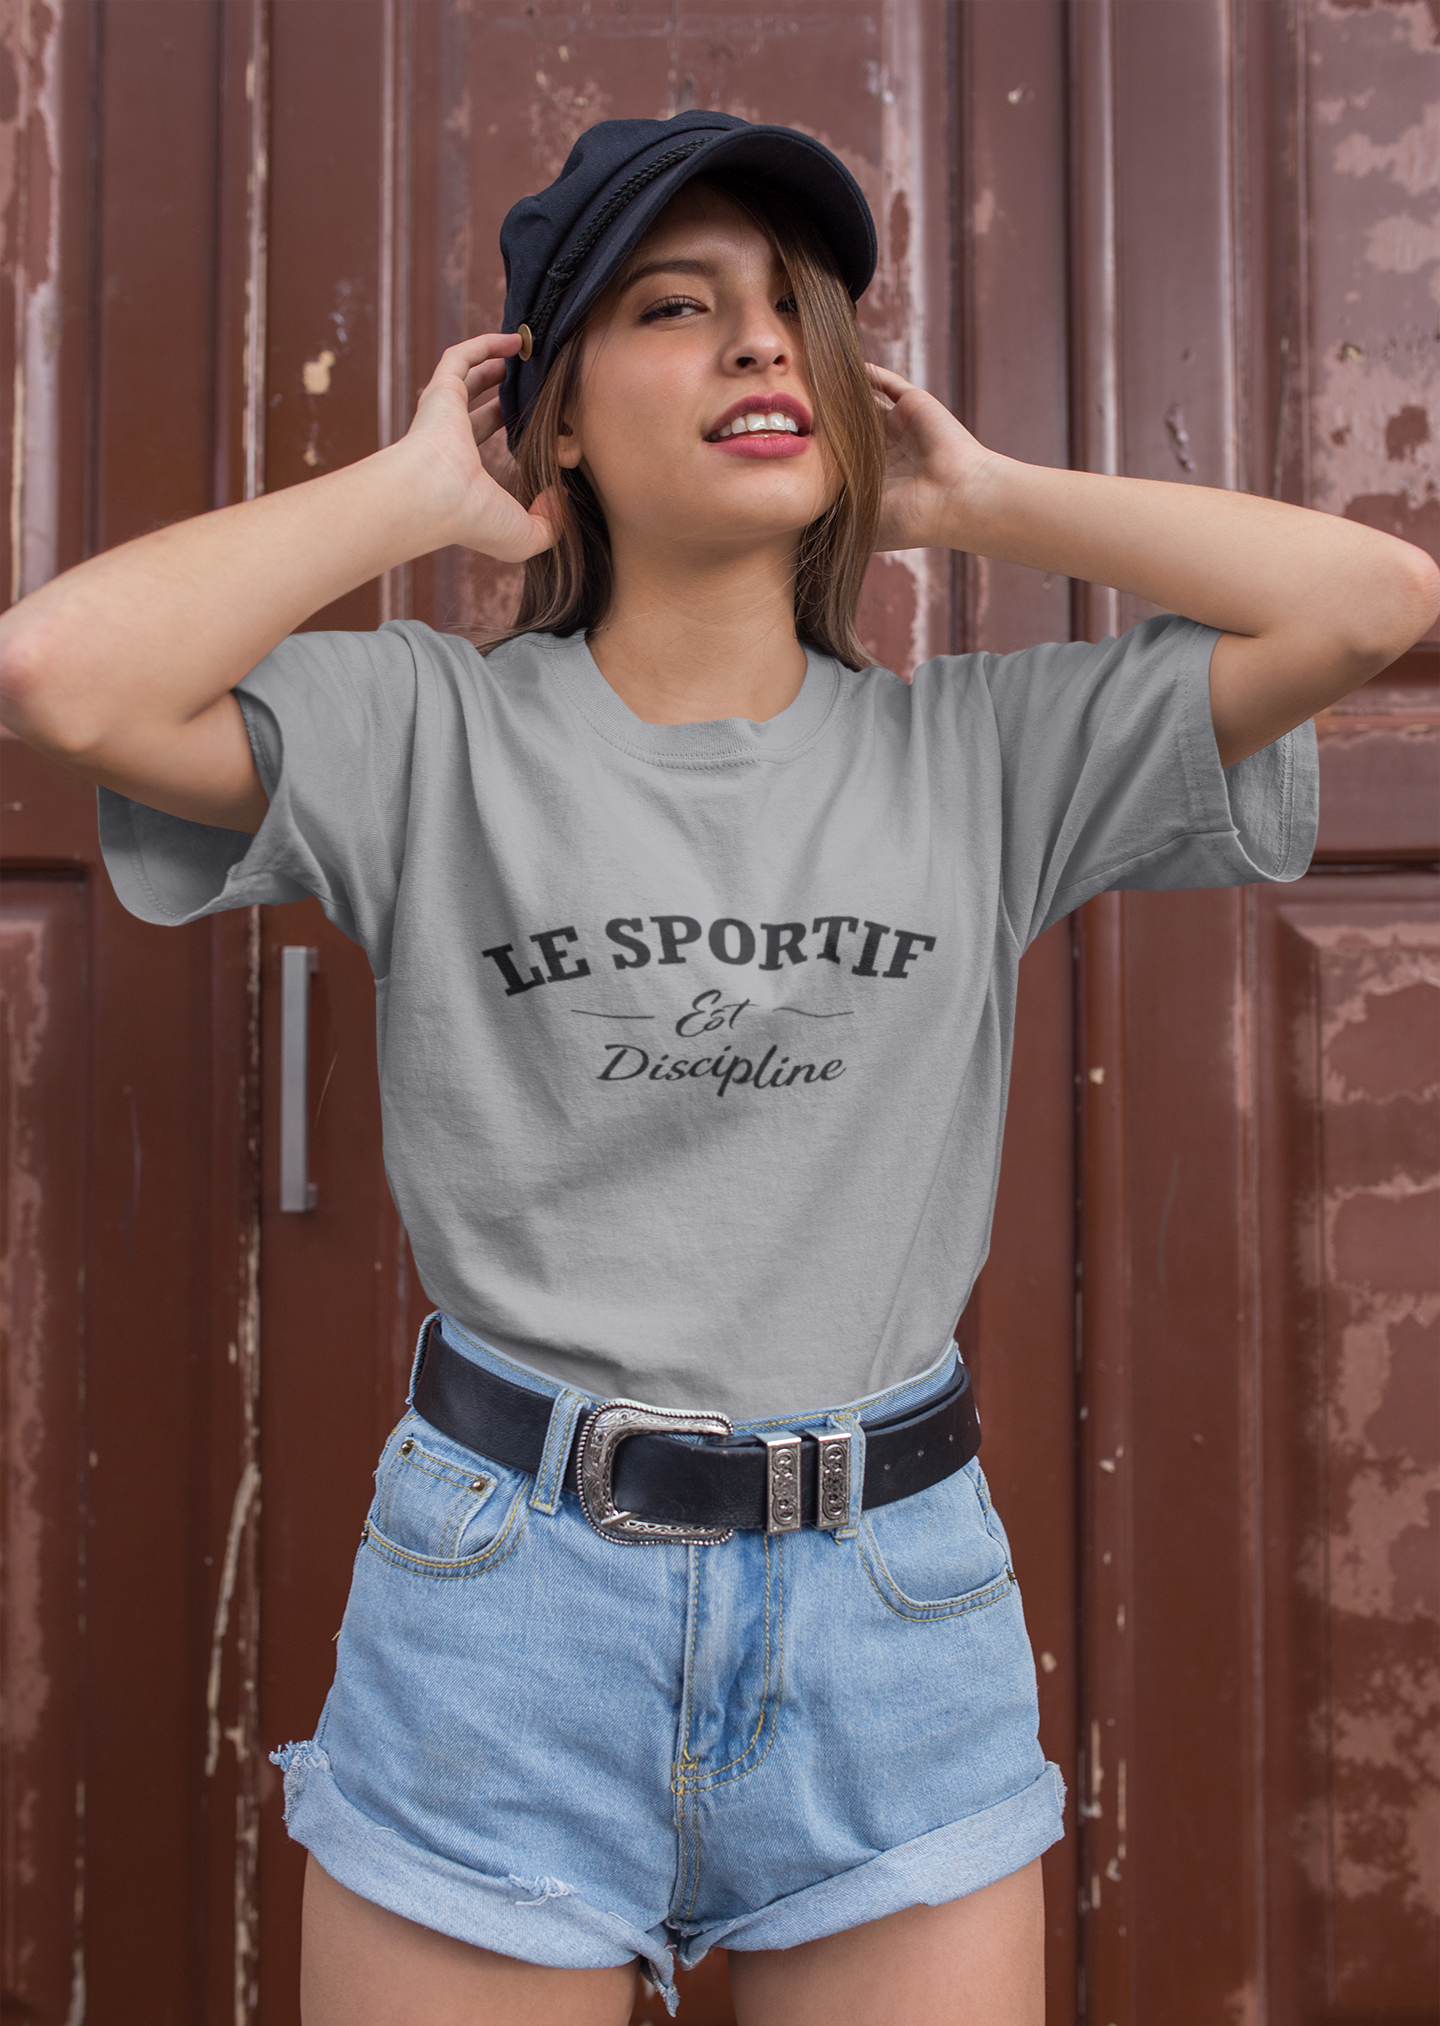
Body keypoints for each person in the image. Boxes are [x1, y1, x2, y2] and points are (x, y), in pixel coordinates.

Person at [1, 110, 1434, 2026]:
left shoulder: (983, 756)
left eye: (791, 310)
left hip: (891, 1604)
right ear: (558, 417)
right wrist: (421, 488)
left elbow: (1371, 602)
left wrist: (977, 499)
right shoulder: (421, 732)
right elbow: (63, 674)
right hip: (505, 1604)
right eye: (676, 307)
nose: (762, 341)